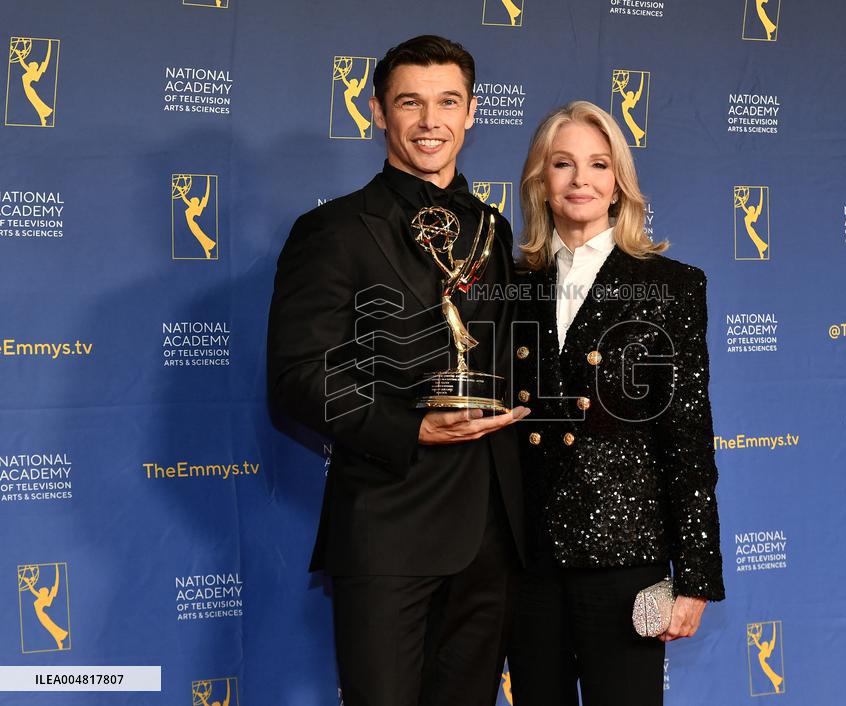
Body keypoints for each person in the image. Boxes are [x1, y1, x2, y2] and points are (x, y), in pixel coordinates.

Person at [267, 35, 528, 706]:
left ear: (472, 113)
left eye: (448, 102)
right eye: (410, 102)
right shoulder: (334, 231)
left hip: (493, 538)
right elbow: (298, 374)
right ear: (378, 112)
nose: (430, 121)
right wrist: (412, 430)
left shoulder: (496, 231)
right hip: (388, 528)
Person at [507, 101, 725, 706]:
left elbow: (686, 434)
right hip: (528, 563)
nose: (581, 180)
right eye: (563, 164)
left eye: (598, 165)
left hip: (626, 554)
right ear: (539, 183)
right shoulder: (509, 285)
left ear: (619, 184)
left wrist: (697, 575)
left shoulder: (671, 285)